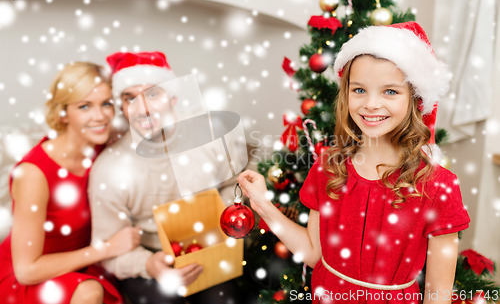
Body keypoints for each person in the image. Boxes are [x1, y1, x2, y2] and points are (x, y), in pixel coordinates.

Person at [238, 22, 471, 304]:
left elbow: (438, 295)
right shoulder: (328, 167)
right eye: (359, 90)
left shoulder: (437, 186)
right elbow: (313, 254)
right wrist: (263, 205)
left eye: (390, 92)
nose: (371, 104)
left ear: (414, 99)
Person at [88, 51, 239, 304]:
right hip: (148, 259)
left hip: (209, 245)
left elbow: (234, 184)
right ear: (122, 108)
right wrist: (148, 264)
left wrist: (223, 220)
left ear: (173, 97)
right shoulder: (109, 169)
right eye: (130, 98)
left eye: (153, 94)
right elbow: (107, 249)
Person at [0, 62, 142, 304]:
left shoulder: (104, 147)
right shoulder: (34, 173)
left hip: (81, 264)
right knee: (89, 291)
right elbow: (26, 271)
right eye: (84, 106)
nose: (100, 116)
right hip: (32, 275)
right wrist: (107, 249)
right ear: (63, 113)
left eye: (106, 103)